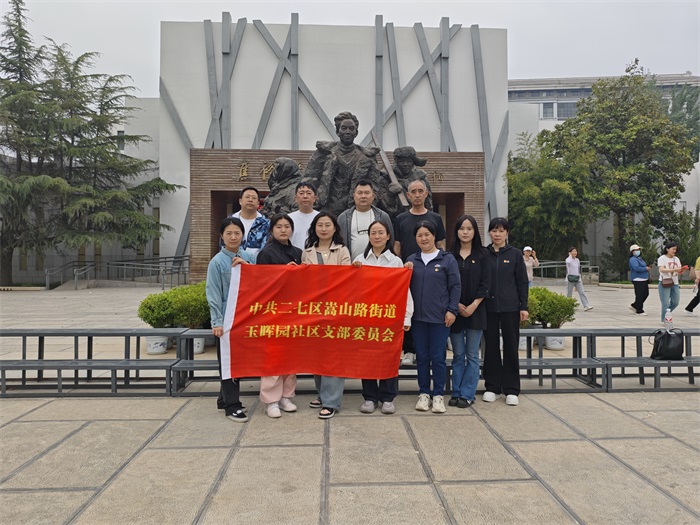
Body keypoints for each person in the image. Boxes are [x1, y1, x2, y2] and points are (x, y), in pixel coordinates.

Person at [352, 220, 413, 415]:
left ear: (388, 236)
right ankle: (369, 397)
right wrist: (353, 271)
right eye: (373, 233)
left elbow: (404, 291)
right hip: (366, 318)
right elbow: (352, 290)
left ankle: (388, 397)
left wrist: (406, 317)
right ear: (369, 237)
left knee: (389, 357)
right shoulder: (360, 260)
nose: (377, 236)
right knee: (367, 358)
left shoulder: (396, 262)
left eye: (381, 232)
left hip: (389, 319)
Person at [404, 221, 460, 414]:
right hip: (418, 319)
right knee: (421, 357)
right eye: (419, 235)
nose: (424, 238)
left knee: (437, 357)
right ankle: (423, 393)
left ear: (434, 236)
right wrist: (405, 270)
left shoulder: (447, 259)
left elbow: (455, 287)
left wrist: (452, 310)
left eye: (427, 234)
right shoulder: (412, 259)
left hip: (440, 318)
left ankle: (438, 395)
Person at [302, 212, 352, 419]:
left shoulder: (342, 250)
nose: (323, 228)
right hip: (314, 309)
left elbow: (345, 279)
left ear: (334, 228)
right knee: (318, 353)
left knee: (333, 355)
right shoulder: (306, 253)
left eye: (327, 225)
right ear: (314, 228)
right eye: (320, 225)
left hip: (335, 308)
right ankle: (322, 394)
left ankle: (331, 402)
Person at [205, 217, 255, 423]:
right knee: (228, 362)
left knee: (237, 361)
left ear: (243, 235)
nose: (233, 237)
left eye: (237, 233)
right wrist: (216, 322)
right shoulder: (217, 262)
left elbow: (260, 282)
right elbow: (213, 294)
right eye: (229, 233)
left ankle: (223, 399)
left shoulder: (249, 257)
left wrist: (247, 267)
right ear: (222, 236)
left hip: (245, 319)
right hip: (227, 322)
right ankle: (232, 406)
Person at [393, 178, 447, 366]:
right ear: (408, 195)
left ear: (426, 194)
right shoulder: (401, 219)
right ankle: (409, 349)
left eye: (420, 191)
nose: (417, 195)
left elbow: (441, 244)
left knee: (429, 308)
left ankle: (430, 349)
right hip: (408, 271)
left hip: (432, 271)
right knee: (408, 309)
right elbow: (397, 246)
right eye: (413, 192)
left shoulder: (435, 218)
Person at [256, 214, 303, 418]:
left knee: (290, 356)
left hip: (294, 311)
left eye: (287, 226)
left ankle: (286, 396)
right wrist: (284, 272)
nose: (283, 230)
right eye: (279, 226)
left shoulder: (298, 252)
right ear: (271, 230)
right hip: (273, 311)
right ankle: (271, 400)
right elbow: (261, 284)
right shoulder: (265, 254)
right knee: (273, 357)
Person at [483, 217, 529, 407]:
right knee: (491, 347)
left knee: (511, 347)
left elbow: (522, 282)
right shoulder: (484, 254)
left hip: (511, 308)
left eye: (501, 231)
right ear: (489, 233)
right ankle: (492, 387)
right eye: (494, 230)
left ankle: (511, 389)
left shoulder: (515, 254)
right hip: (489, 308)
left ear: (507, 233)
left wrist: (524, 306)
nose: (497, 234)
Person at [305, 111, 381, 218]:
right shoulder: (324, 153)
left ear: (356, 133)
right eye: (344, 128)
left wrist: (365, 208)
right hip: (326, 210)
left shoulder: (366, 157)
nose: (348, 132)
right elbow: (309, 180)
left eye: (351, 128)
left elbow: (375, 186)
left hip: (355, 211)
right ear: (338, 131)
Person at [448, 215, 489, 409]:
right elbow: (446, 284)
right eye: (461, 228)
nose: (465, 232)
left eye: (469, 228)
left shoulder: (483, 255)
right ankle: (456, 392)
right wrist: (455, 305)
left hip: (476, 311)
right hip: (455, 312)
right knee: (458, 354)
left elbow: (486, 284)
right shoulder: (450, 256)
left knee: (472, 355)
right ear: (456, 231)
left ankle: (467, 394)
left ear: (475, 232)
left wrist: (474, 305)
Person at [337, 179, 394, 261]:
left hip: (378, 264)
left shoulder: (382, 216)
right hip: (351, 265)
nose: (363, 196)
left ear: (373, 196)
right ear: (354, 196)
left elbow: (391, 241)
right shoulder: (344, 217)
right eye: (360, 193)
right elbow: (338, 243)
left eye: (367, 193)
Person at [379, 146, 433, 219]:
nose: (405, 164)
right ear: (396, 162)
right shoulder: (385, 179)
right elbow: (379, 208)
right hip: (394, 221)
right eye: (401, 161)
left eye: (409, 161)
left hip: (418, 220)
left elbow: (428, 205)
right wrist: (390, 195)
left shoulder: (421, 180)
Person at [227, 186, 270, 257]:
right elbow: (224, 244)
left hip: (257, 262)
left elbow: (266, 248)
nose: (250, 200)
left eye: (254, 198)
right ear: (240, 201)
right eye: (247, 197)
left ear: (258, 203)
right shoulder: (230, 220)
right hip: (233, 261)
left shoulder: (265, 223)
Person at [657, 242, 688, 323]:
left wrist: (682, 270)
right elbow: (661, 269)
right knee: (665, 303)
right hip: (664, 282)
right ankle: (665, 319)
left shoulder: (676, 259)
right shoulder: (662, 258)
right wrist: (674, 269)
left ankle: (666, 312)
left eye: (675, 249)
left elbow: (679, 271)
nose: (674, 251)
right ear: (667, 249)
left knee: (675, 302)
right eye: (673, 249)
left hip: (675, 282)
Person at [288, 181, 320, 250]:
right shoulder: (288, 218)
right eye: (301, 193)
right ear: (296, 198)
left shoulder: (321, 218)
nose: (305, 196)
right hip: (293, 255)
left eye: (309, 193)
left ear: (315, 198)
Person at [565, 247, 593, 311]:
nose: (574, 252)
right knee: (569, 293)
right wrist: (570, 256)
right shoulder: (568, 259)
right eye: (573, 251)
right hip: (570, 278)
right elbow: (568, 263)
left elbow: (578, 269)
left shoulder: (577, 260)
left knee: (582, 292)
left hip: (577, 278)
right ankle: (568, 306)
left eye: (575, 251)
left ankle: (586, 305)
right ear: (570, 252)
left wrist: (579, 277)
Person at [628, 243, 651, 316]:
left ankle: (635, 305)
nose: (638, 251)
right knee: (639, 295)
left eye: (639, 249)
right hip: (637, 279)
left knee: (645, 294)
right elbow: (636, 268)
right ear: (632, 251)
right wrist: (645, 268)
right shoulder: (632, 259)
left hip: (644, 279)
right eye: (636, 250)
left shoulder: (639, 258)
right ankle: (639, 310)